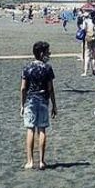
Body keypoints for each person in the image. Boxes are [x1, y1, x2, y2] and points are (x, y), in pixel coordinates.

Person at [20, 41, 58, 169]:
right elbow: (50, 88)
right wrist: (54, 104)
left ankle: (30, 161)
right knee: (42, 129)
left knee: (30, 129)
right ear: (42, 53)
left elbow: (23, 88)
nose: (49, 54)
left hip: (30, 100)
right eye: (47, 52)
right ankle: (41, 161)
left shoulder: (27, 67)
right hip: (43, 99)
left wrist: (22, 104)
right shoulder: (47, 68)